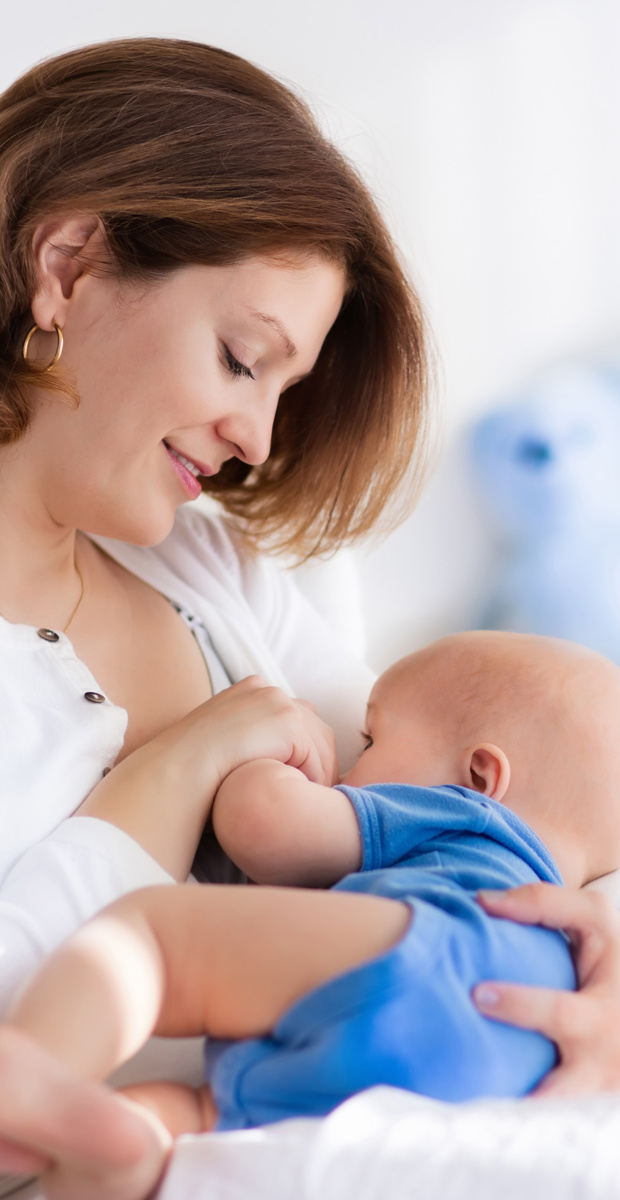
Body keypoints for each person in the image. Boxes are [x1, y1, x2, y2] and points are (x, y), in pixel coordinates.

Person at [0, 32, 619, 1189]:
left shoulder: (214, 576)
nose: (259, 442)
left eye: (285, 389)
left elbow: (511, 802)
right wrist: (167, 779)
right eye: (243, 360)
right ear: (70, 264)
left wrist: (599, 964)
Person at [6, 629, 620, 1199]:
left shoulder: (466, 816)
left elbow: (263, 821)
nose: (353, 769)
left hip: (434, 951)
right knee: (202, 1124)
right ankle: (131, 1147)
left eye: (372, 741)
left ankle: (31, 1074)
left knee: (153, 939)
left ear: (481, 775)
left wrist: (270, 770)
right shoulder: (574, 932)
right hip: (516, 1064)